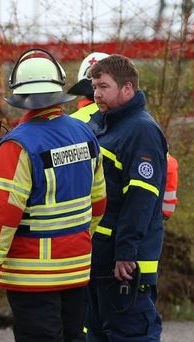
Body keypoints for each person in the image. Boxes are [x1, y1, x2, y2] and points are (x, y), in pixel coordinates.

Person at [0, 48, 106, 342]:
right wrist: (79, 240)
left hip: (32, 277)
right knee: (75, 341)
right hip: (76, 267)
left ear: (19, 95)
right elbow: (98, 201)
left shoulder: (17, 145)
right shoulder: (85, 134)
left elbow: (1, 213)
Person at [83, 54, 167, 342]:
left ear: (127, 89)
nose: (96, 93)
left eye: (104, 86)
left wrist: (126, 253)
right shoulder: (104, 126)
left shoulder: (141, 130)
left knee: (134, 340)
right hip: (101, 261)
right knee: (99, 339)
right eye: (94, 86)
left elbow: (140, 200)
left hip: (127, 267)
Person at [68, 52, 179, 220]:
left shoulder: (71, 123)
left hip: (83, 225)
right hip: (135, 225)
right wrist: (159, 214)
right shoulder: (138, 121)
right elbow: (167, 165)